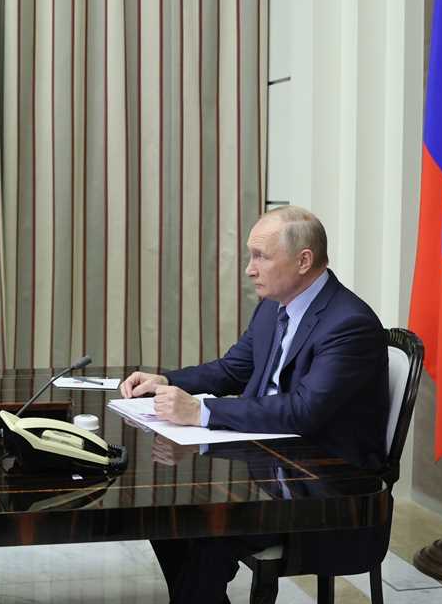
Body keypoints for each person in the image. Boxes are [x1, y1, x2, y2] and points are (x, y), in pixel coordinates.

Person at [120, 205, 389, 604]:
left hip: (324, 486)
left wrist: (200, 411)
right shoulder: (273, 307)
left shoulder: (349, 324)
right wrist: (168, 380)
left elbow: (302, 412)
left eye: (260, 256)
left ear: (303, 261)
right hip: (269, 462)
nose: (249, 268)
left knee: (205, 528)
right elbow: (232, 369)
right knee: (165, 510)